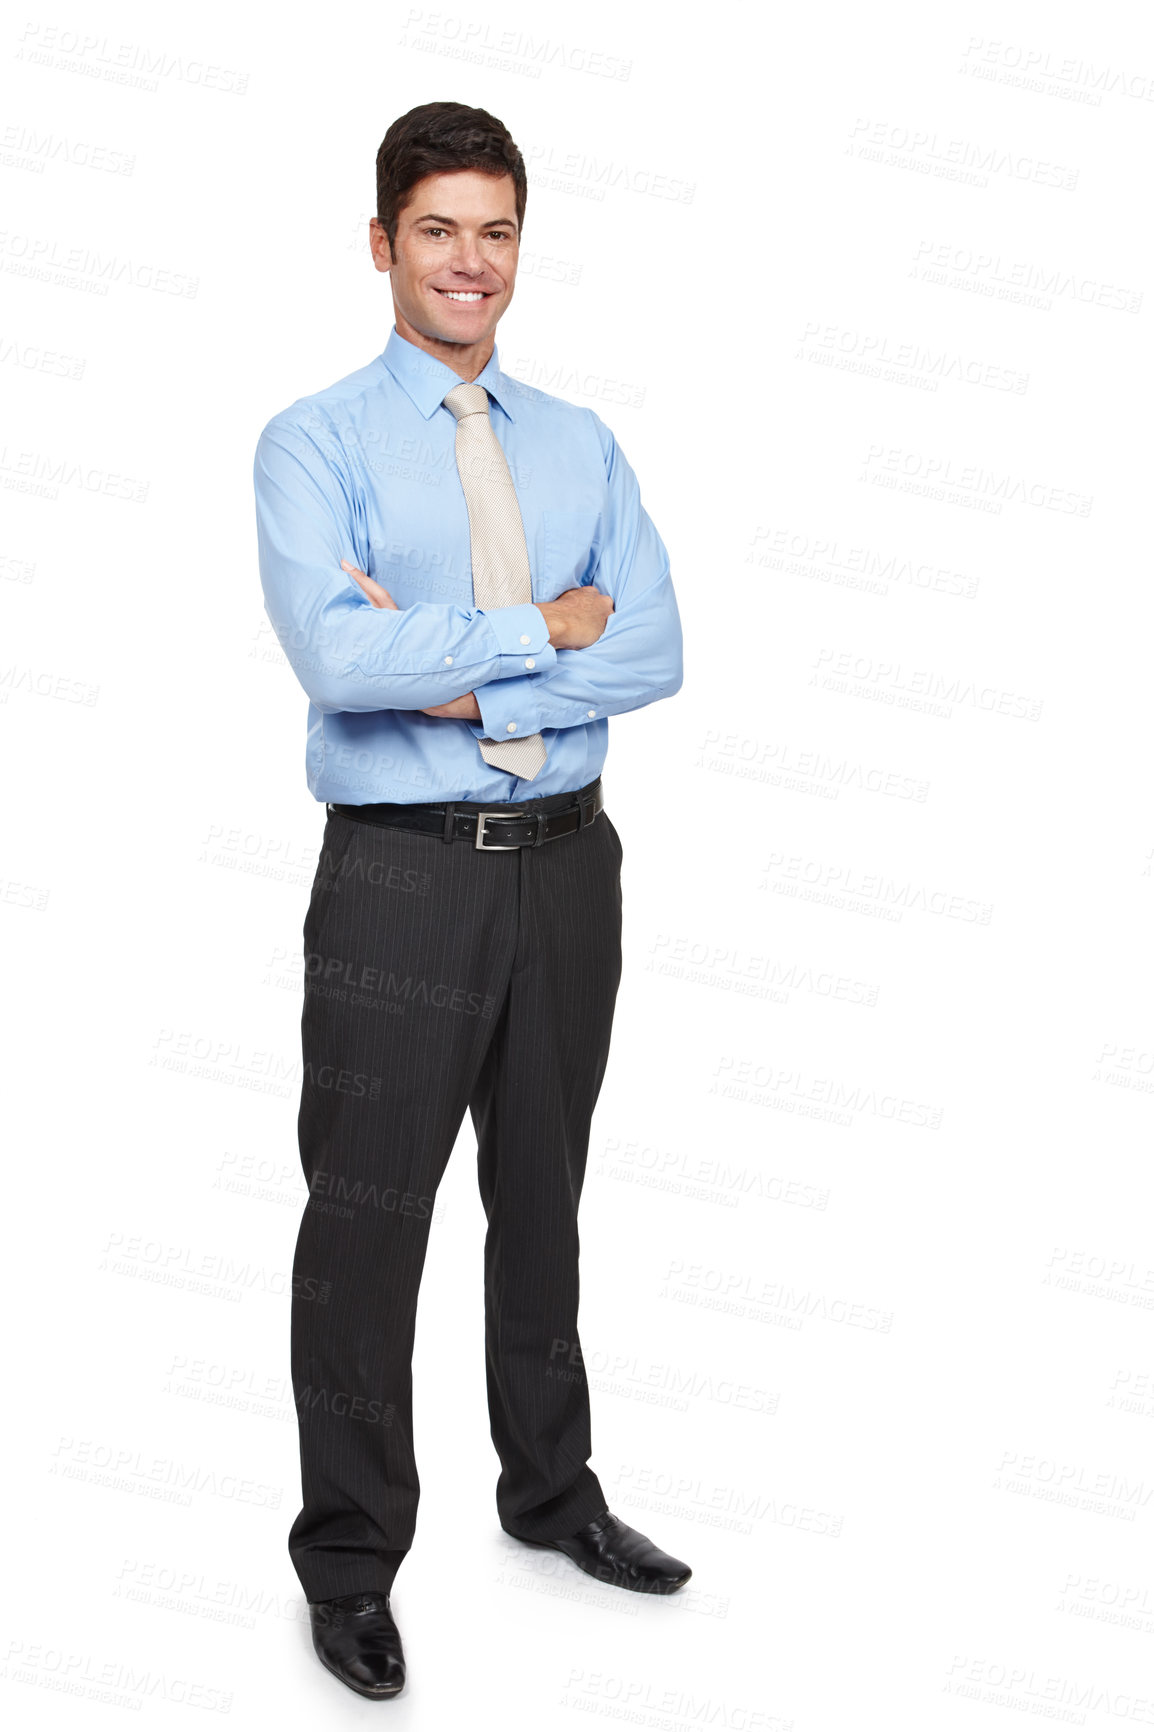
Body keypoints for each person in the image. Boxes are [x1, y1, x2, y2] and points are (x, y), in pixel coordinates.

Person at [252, 100, 689, 1701]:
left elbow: (654, 648)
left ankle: (552, 1495)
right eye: (436, 229)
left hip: (571, 869)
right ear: (382, 245)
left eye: (493, 231)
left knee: (546, 1202)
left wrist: (450, 664)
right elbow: (335, 659)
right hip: (402, 884)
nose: (468, 262)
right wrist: (532, 639)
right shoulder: (313, 442)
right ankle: (352, 1560)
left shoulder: (579, 441)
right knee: (366, 1223)